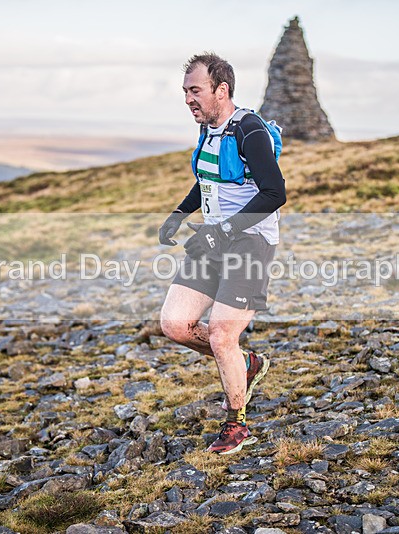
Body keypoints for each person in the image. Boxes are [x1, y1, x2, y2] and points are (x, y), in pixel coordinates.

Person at [158, 52, 286, 455]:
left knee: (221, 334)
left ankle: (237, 424)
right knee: (175, 325)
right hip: (212, 239)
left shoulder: (249, 130)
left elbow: (274, 193)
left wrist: (221, 233)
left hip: (250, 242)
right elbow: (207, 178)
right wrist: (179, 214)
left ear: (221, 90)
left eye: (195, 91)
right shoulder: (208, 129)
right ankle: (246, 364)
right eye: (185, 92)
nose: (188, 99)